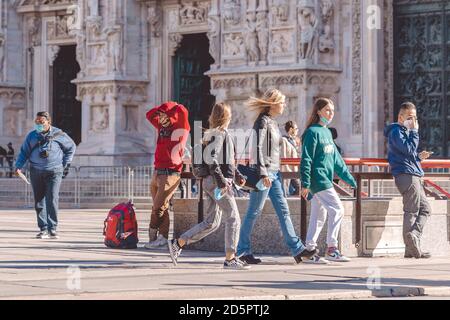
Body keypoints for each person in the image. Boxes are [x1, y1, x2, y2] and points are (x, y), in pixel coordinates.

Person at [236, 89, 317, 265]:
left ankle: (297, 250)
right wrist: (263, 172)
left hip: (275, 172)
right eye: (282, 102)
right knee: (253, 212)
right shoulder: (262, 122)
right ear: (272, 103)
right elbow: (257, 148)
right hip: (264, 174)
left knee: (283, 210)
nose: (284, 105)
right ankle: (242, 250)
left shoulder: (273, 122)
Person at [167, 102, 250, 270]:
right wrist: (221, 182)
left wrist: (238, 176)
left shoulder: (212, 134)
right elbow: (212, 158)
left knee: (211, 222)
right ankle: (230, 259)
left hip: (210, 181)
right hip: (216, 183)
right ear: (226, 116)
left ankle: (178, 243)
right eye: (230, 114)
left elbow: (226, 160)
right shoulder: (219, 134)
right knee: (233, 217)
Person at [300, 98, 357, 264]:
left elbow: (337, 160)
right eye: (327, 110)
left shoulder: (327, 132)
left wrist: (350, 179)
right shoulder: (312, 132)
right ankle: (332, 248)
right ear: (318, 111)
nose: (330, 114)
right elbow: (306, 159)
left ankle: (309, 250)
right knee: (338, 209)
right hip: (318, 179)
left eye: (332, 111)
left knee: (319, 215)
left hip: (325, 179)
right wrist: (305, 182)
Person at [15, 112, 76, 239]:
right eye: (36, 122)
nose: (38, 125)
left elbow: (71, 147)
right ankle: (43, 229)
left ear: (49, 122)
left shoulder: (59, 134)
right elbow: (24, 152)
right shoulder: (32, 136)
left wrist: (65, 163)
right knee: (39, 201)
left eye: (41, 122)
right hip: (36, 171)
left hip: (54, 171)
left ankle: (52, 228)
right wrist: (18, 166)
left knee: (52, 198)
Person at [384, 102, 432, 259]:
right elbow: (408, 149)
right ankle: (413, 240)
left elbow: (408, 154)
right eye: (410, 117)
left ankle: (411, 244)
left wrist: (419, 157)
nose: (413, 121)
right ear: (401, 117)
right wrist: (415, 132)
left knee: (425, 209)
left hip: (412, 173)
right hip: (407, 175)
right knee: (411, 211)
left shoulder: (403, 131)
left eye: (415, 117)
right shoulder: (397, 131)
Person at [145, 101, 190, 249]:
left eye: (165, 116)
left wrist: (171, 107)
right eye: (161, 116)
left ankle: (152, 236)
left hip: (170, 173)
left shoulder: (181, 127)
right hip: (157, 171)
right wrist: (160, 111)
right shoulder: (161, 127)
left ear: (172, 115)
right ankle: (163, 238)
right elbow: (149, 114)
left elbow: (182, 110)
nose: (161, 119)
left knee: (157, 208)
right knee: (161, 207)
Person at [281, 120, 301, 196]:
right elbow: (283, 155)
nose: (297, 130)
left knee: (298, 187)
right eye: (296, 129)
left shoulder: (294, 141)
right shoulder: (284, 140)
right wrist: (286, 168)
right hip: (287, 169)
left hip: (294, 169)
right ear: (291, 129)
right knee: (285, 190)